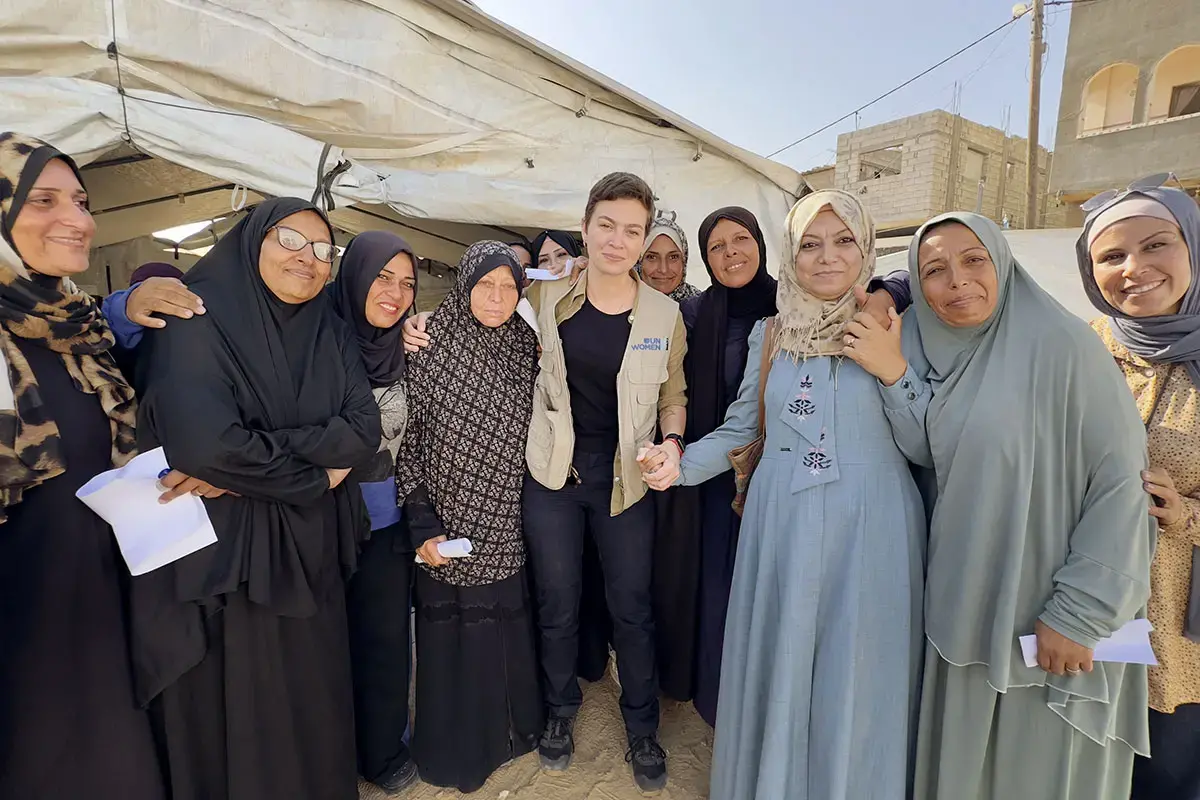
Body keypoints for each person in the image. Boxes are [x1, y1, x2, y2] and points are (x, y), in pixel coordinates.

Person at [851, 211, 1153, 799]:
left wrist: (1080, 612)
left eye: (974, 261)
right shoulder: (930, 347)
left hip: (1055, 612)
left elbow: (1122, 482)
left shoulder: (1066, 348)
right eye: (934, 270)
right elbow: (931, 448)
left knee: (1037, 771)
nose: (957, 281)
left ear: (1002, 263)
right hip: (969, 602)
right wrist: (893, 372)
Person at [402, 173, 686, 793]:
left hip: (624, 482)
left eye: (632, 230)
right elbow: (484, 307)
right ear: (584, 230)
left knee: (631, 608)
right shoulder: (549, 300)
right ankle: (559, 713)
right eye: (606, 225)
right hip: (553, 478)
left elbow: (673, 393)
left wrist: (671, 441)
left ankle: (642, 728)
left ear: (644, 240)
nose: (618, 240)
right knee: (557, 602)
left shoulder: (666, 313)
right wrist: (417, 321)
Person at [644, 190, 926, 800]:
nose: (826, 258)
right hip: (780, 524)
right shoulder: (771, 334)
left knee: (855, 670)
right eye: (810, 245)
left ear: (866, 247)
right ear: (791, 256)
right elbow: (744, 428)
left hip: (870, 528)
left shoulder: (901, 325)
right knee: (785, 661)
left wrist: (892, 369)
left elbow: (928, 445)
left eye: (843, 241)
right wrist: (677, 464)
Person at [129, 198, 381, 800]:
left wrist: (254, 461)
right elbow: (206, 447)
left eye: (324, 250)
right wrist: (319, 474)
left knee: (309, 694)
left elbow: (363, 431)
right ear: (252, 242)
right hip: (227, 563)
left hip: (308, 552)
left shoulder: (330, 332)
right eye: (291, 241)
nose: (309, 259)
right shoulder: (194, 319)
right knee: (240, 705)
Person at [0, 133, 165, 799]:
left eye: (81, 200)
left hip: (100, 606)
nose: (76, 218)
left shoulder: (78, 331)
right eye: (42, 200)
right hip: (22, 629)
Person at [396, 240, 543, 792]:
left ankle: (514, 732)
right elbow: (409, 441)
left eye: (509, 287)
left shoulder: (526, 345)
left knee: (502, 636)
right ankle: (458, 748)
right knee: (452, 641)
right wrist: (424, 524)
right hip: (446, 514)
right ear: (465, 284)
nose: (498, 298)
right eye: (486, 285)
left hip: (506, 516)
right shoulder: (427, 342)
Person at [1076, 186, 1200, 800]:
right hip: (1087, 611)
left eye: (1156, 245)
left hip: (1179, 626)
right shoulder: (1084, 348)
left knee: (1168, 775)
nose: (1133, 269)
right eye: (1111, 256)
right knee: (1086, 769)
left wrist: (1187, 516)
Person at [333, 231, 421, 795]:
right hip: (323, 524)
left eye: (407, 282)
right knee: (329, 645)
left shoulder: (413, 347)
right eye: (383, 277)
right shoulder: (317, 340)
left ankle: (384, 753)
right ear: (356, 276)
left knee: (387, 644)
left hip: (389, 527)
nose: (395, 293)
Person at [638, 212, 701, 301]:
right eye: (652, 257)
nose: (663, 269)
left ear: (684, 261)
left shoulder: (703, 308)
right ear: (639, 262)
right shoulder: (619, 304)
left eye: (673, 257)